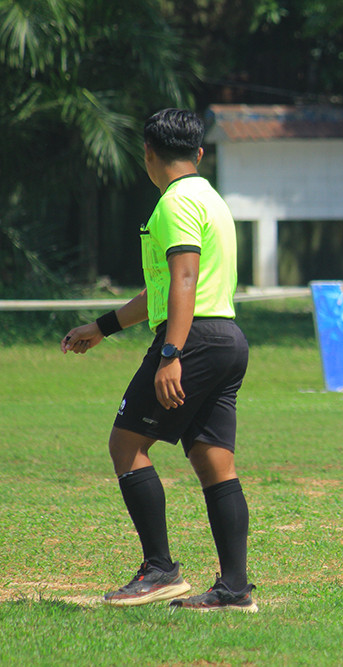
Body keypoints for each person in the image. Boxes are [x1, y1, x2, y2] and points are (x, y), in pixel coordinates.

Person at [60, 109, 256, 612]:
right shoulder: (211, 198)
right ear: (199, 153)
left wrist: (171, 352)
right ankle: (234, 590)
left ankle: (160, 571)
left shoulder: (173, 203)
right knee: (214, 459)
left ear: (147, 154)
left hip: (191, 339)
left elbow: (184, 281)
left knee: (126, 443)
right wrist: (101, 328)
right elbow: (163, 289)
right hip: (227, 336)